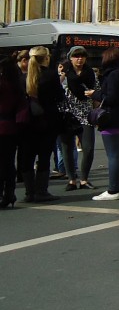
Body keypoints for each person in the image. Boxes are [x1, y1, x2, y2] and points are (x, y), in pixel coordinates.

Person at [18, 46, 66, 203]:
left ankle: (29, 192)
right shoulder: (50, 75)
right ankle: (41, 191)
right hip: (47, 120)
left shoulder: (23, 77)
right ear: (46, 58)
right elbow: (60, 97)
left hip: (26, 122)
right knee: (44, 156)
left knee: (27, 156)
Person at [92, 46, 119, 202]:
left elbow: (110, 98)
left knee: (113, 156)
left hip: (111, 118)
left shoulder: (112, 75)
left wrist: (95, 94)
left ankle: (113, 189)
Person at [62, 45, 98, 189]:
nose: (79, 59)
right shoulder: (64, 74)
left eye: (82, 56)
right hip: (67, 114)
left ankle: (84, 179)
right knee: (67, 147)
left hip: (86, 113)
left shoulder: (91, 73)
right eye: (76, 56)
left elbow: (97, 92)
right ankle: (71, 179)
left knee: (88, 148)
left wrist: (97, 112)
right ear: (70, 58)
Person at [0, 53, 24, 209]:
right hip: (12, 127)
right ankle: (9, 193)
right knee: (8, 163)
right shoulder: (17, 85)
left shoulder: (2, 85)